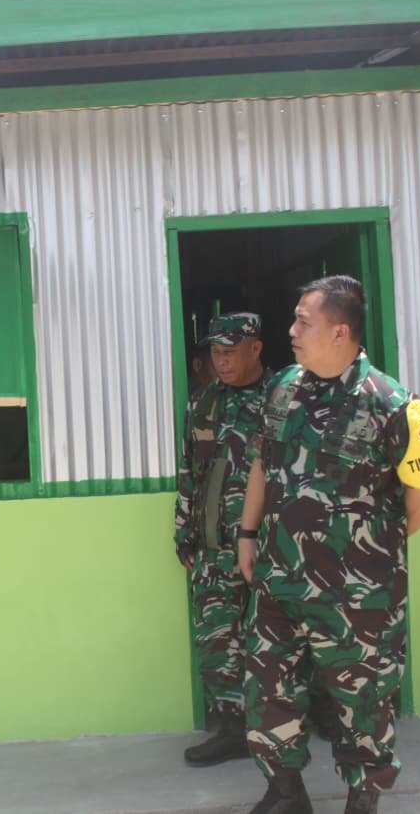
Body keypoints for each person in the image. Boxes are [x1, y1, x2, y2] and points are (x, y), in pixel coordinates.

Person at [236, 276, 420, 814]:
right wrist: (247, 535)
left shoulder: (394, 403)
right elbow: (262, 462)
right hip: (279, 582)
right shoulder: (283, 387)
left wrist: (375, 550)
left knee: (364, 702)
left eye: (303, 321)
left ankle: (363, 797)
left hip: (359, 597)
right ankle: (286, 792)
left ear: (340, 331)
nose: (292, 330)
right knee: (267, 691)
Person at [174, 312, 270, 766]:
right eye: (216, 353)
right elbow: (190, 469)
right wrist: (184, 531)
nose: (223, 361)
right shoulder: (205, 402)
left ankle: (299, 723)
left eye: (230, 352)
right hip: (214, 542)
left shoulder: (284, 399)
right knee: (217, 638)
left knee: (282, 636)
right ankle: (232, 730)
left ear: (256, 348)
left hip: (272, 543)